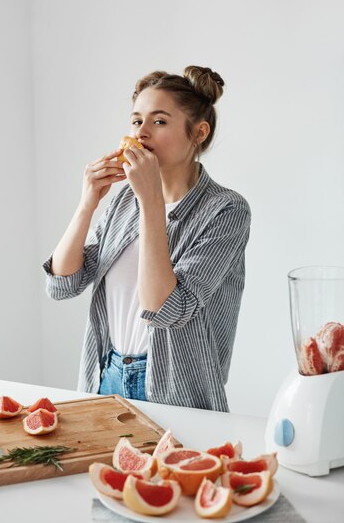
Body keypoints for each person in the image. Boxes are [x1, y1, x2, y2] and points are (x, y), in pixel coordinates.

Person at [43, 65, 251, 412]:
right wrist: (87, 203)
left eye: (159, 121)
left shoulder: (226, 210)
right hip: (104, 375)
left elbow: (165, 308)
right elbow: (62, 286)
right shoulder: (124, 200)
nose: (142, 133)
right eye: (137, 120)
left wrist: (151, 200)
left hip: (177, 388)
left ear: (198, 133)